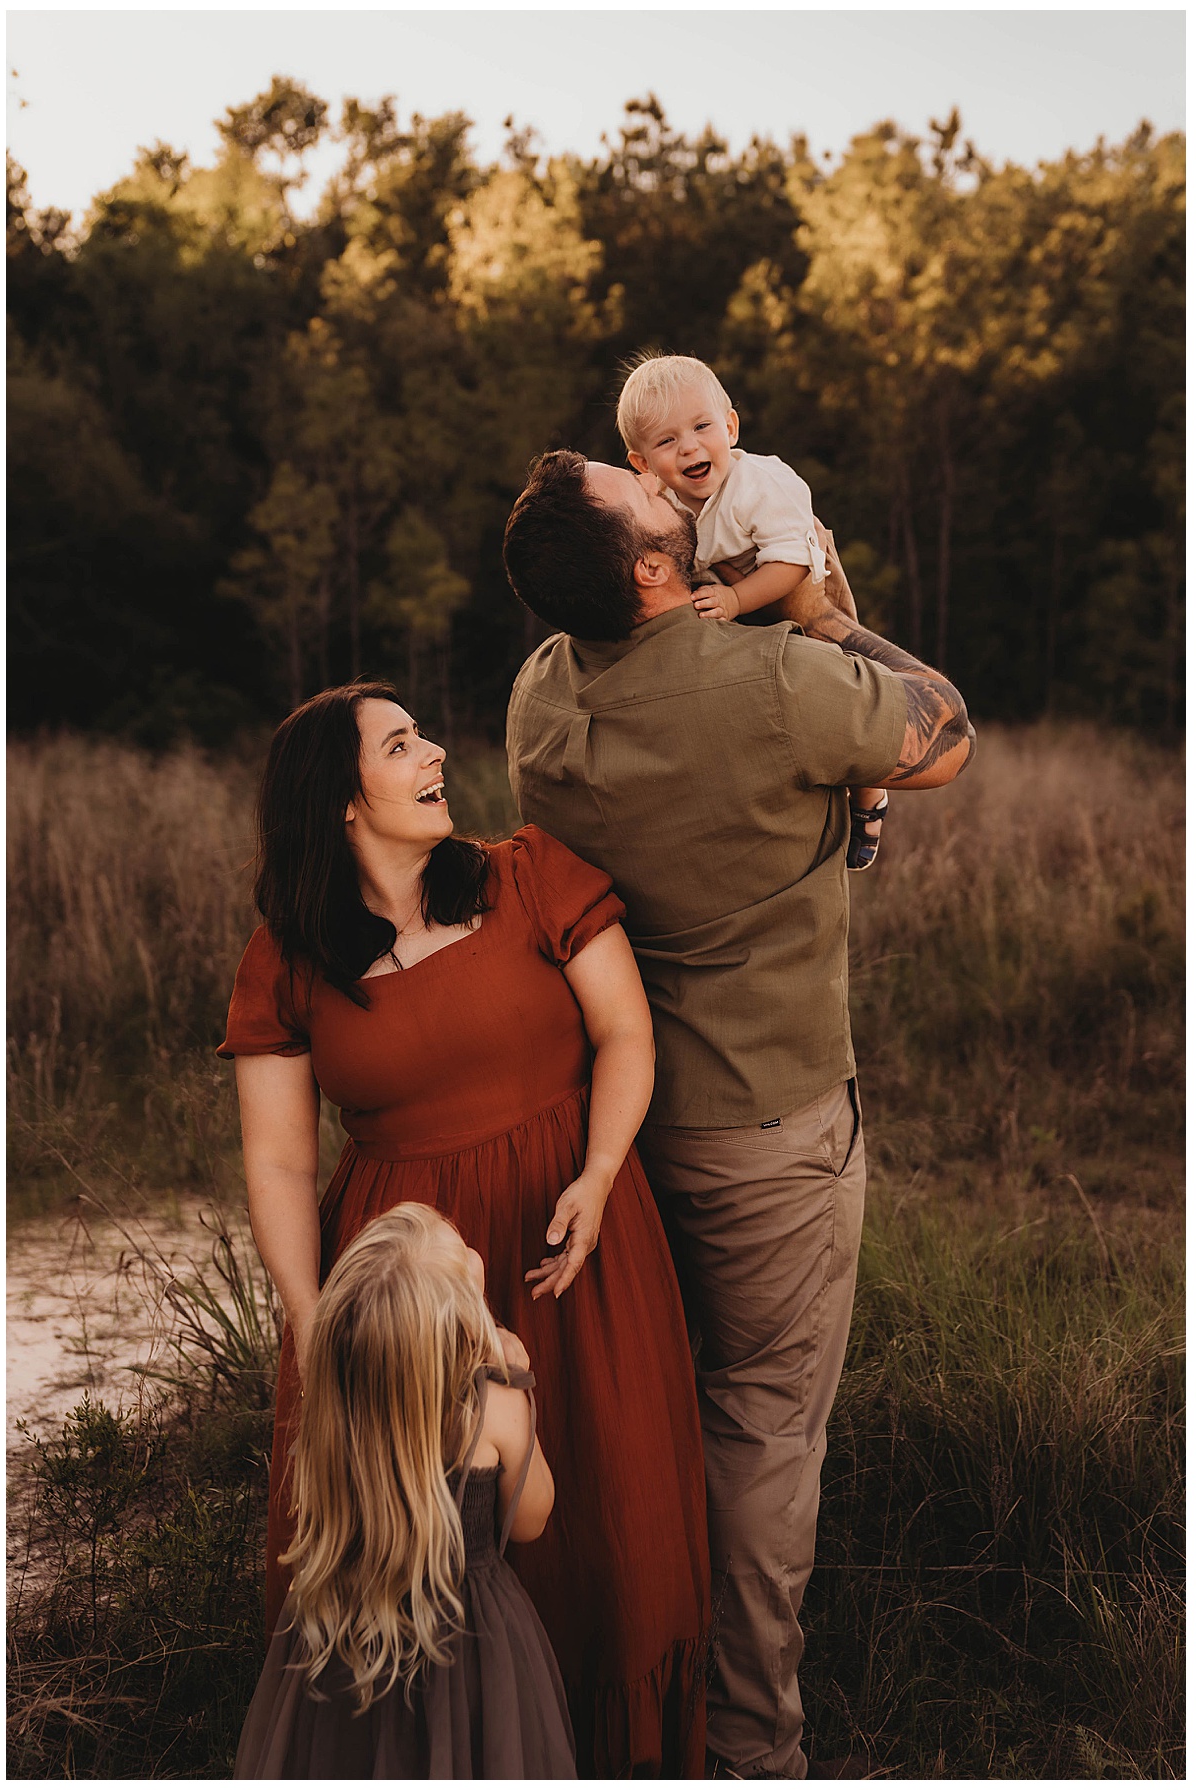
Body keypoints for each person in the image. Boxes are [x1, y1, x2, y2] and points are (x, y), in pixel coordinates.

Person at [502, 451, 974, 1779]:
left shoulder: (539, 696)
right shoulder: (771, 680)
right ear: (656, 567)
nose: (670, 483)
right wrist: (818, 603)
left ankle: (618, 1714)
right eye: (647, 492)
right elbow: (942, 734)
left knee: (644, 1425)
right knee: (763, 1434)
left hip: (616, 1125)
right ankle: (753, 1748)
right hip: (770, 1130)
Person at [218, 680, 710, 1778]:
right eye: (401, 745)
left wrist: (596, 1171)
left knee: (609, 1526)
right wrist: (316, 1326)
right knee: (411, 1549)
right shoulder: (289, 955)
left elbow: (626, 1033)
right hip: (403, 1288)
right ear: (343, 802)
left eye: (423, 735)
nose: (437, 751)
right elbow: (283, 1159)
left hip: (573, 1241)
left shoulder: (527, 875)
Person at [235, 1203, 576, 1779]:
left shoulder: (337, 1398)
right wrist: (523, 1384)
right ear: (458, 1319)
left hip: (346, 1629)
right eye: (461, 1253)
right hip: (469, 1640)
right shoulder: (495, 1403)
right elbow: (530, 1519)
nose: (473, 1253)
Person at [616, 350, 889, 872]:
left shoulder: (761, 484)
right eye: (667, 441)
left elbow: (792, 563)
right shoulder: (665, 504)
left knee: (845, 697)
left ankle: (870, 800)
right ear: (643, 465)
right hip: (734, 611)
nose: (690, 446)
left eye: (701, 426)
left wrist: (738, 598)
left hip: (804, 596)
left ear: (731, 426)